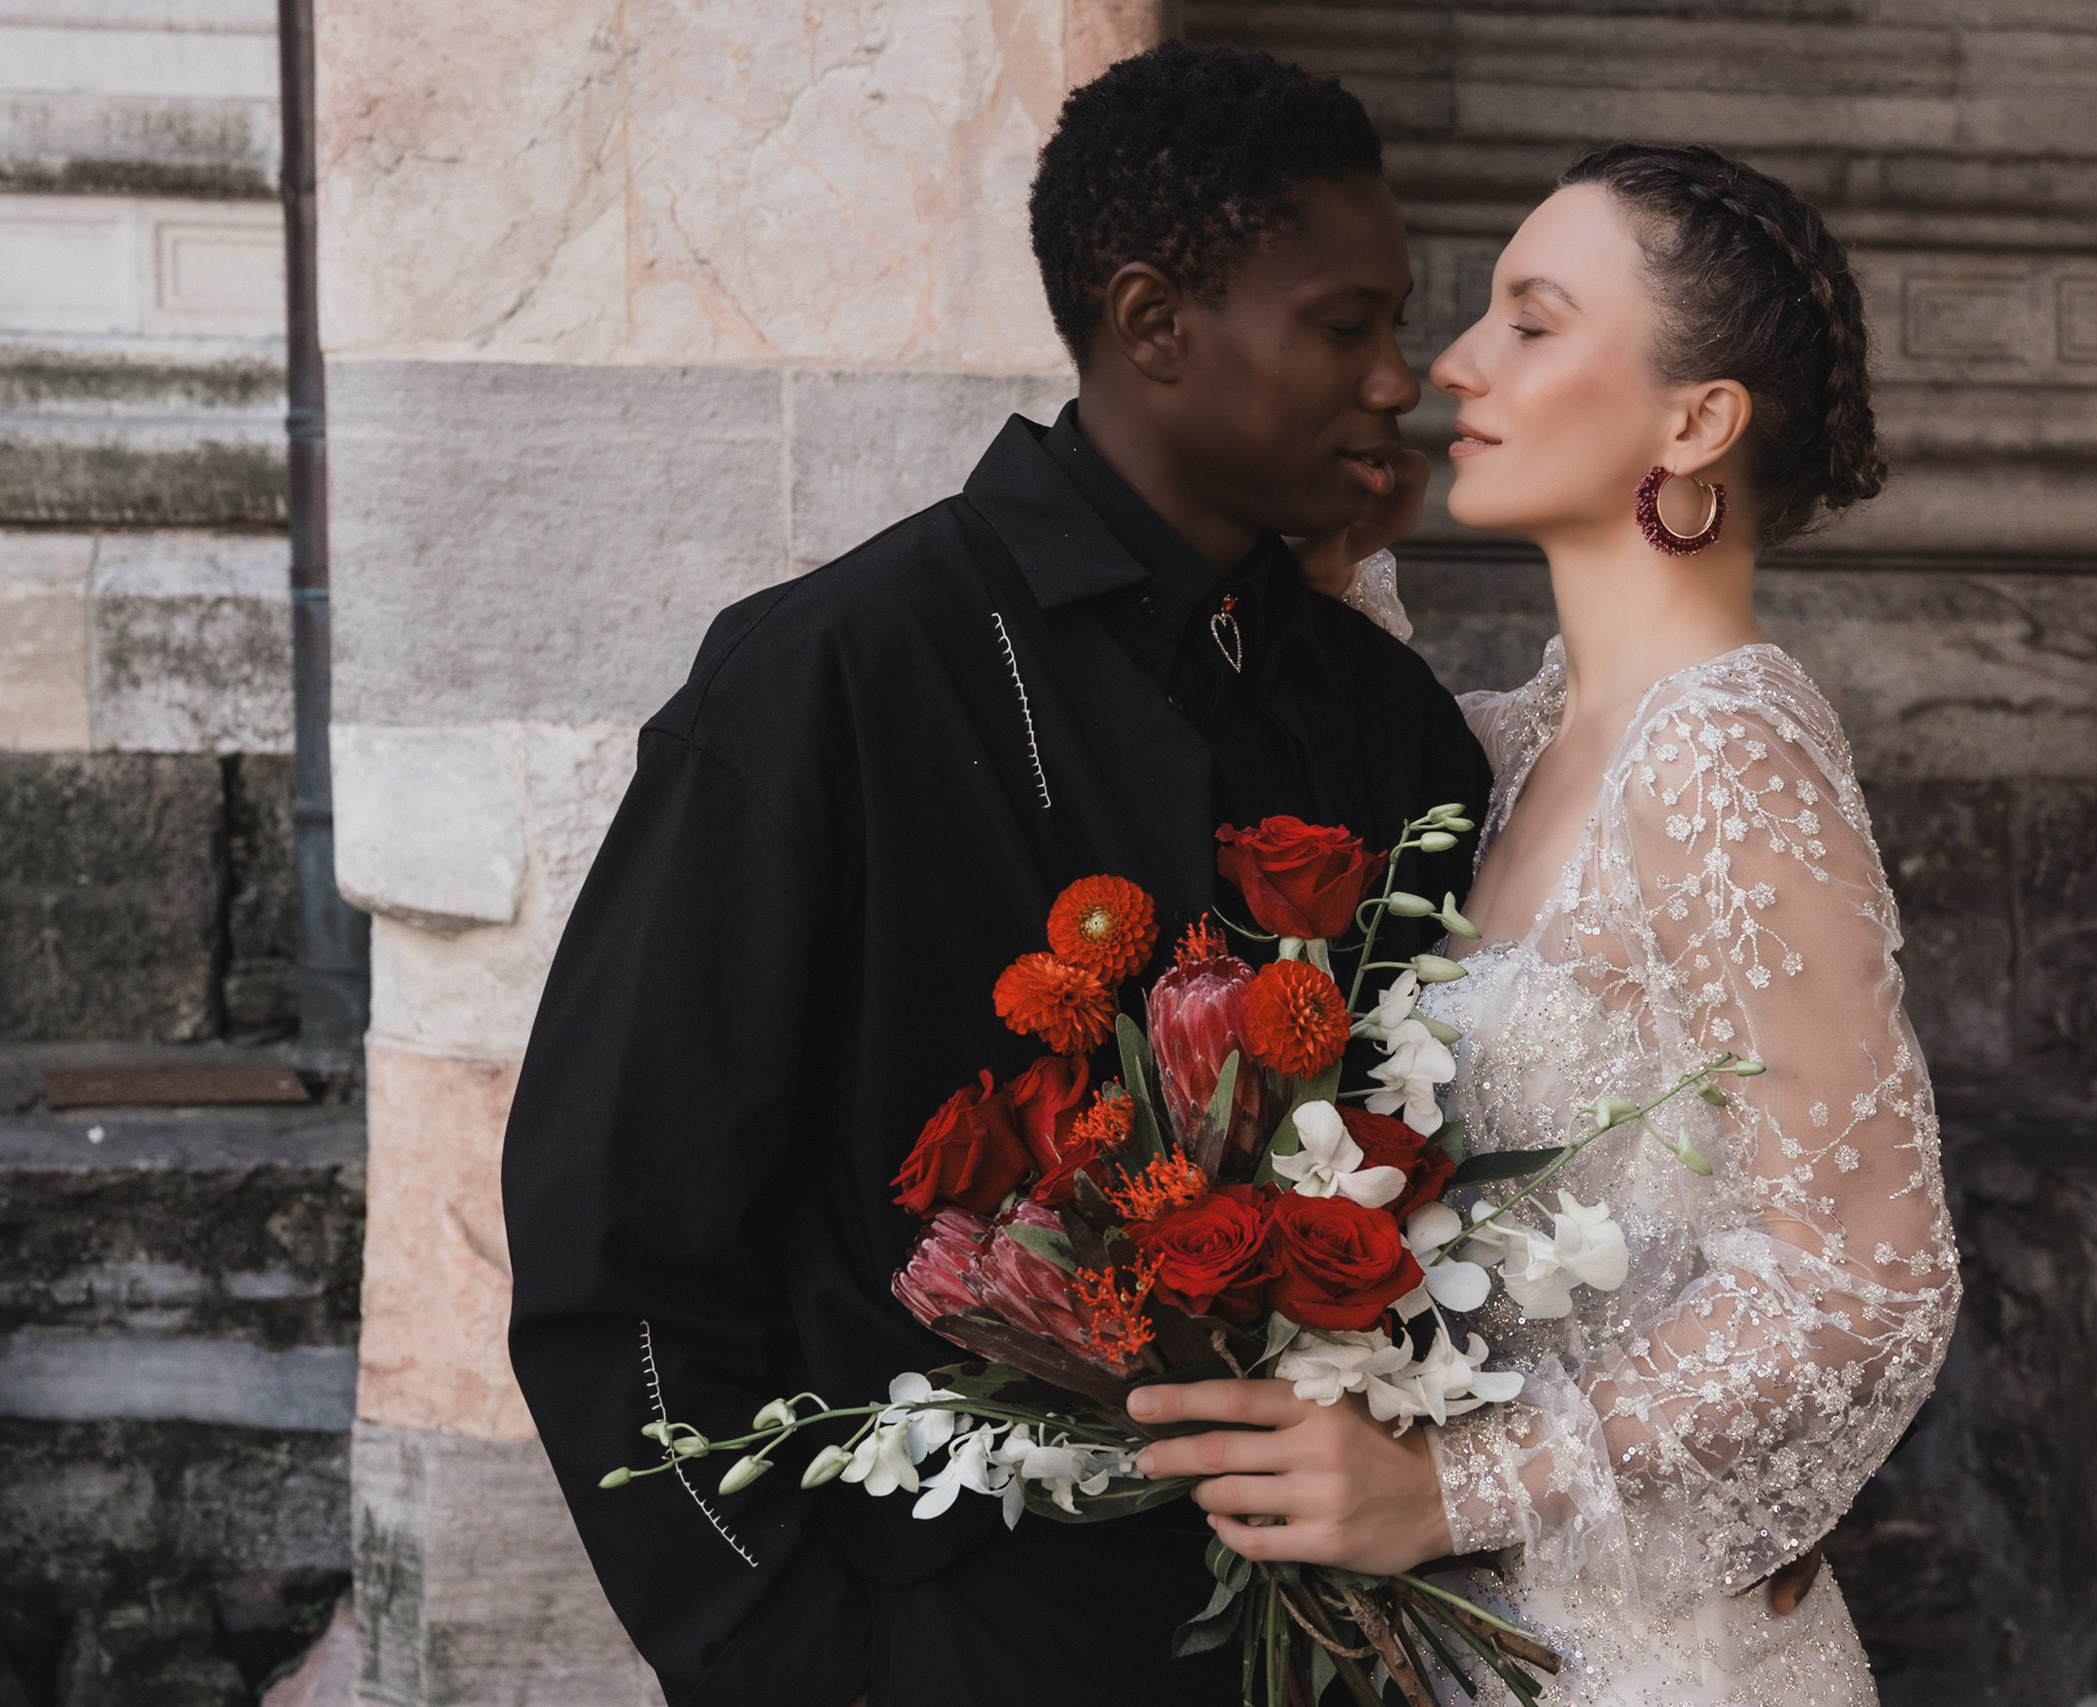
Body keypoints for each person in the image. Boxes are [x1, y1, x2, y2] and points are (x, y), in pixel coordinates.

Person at [499, 45, 1491, 1707]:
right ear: (1157, 322)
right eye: (1346, 325)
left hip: (1326, 1641)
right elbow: (620, 1249)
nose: (1399, 382)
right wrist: (804, 1661)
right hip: (935, 1640)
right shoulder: (826, 680)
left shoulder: (1381, 722)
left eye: (1396, 327)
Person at [1128, 144, 1960, 1703]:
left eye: (1530, 320)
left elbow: (1864, 1278)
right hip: (1467, 1646)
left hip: (1649, 1662)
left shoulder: (1724, 746)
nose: (1451, 364)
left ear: (1697, 420)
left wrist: (1453, 1491)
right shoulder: (1506, 747)